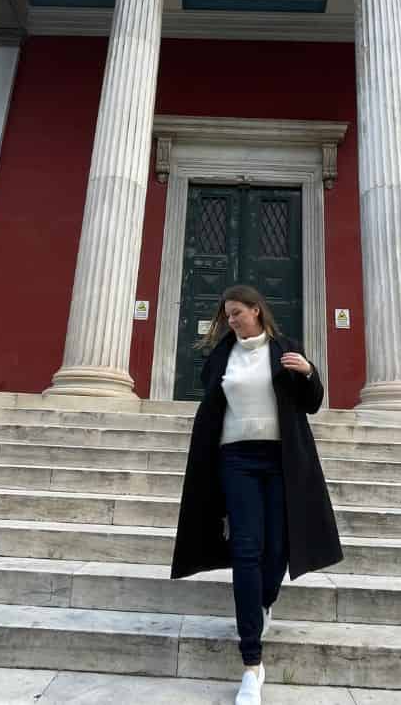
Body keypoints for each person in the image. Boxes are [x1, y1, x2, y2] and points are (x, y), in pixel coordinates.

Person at [171, 285, 344, 705]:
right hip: (237, 460)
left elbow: (312, 403)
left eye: (236, 313)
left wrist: (308, 372)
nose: (230, 320)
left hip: (281, 460)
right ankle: (252, 663)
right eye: (226, 315)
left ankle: (264, 601)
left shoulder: (286, 349)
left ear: (256, 310)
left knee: (277, 547)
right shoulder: (221, 357)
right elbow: (213, 403)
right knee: (246, 547)